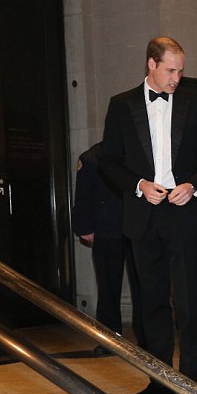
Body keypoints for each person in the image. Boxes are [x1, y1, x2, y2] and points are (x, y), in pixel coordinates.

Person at [99, 36, 197, 394]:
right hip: (144, 215)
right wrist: (138, 185)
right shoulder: (121, 105)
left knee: (188, 301)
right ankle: (159, 380)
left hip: (183, 213)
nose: (176, 78)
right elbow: (108, 160)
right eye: (170, 70)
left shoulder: (195, 103)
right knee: (150, 302)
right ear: (151, 64)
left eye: (180, 71)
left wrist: (193, 185)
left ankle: (189, 383)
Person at [72, 142, 145, 353]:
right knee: (107, 288)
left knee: (143, 287)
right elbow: (83, 194)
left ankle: (147, 339)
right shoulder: (92, 156)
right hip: (106, 230)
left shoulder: (137, 150)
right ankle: (109, 341)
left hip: (136, 228)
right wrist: (84, 226)